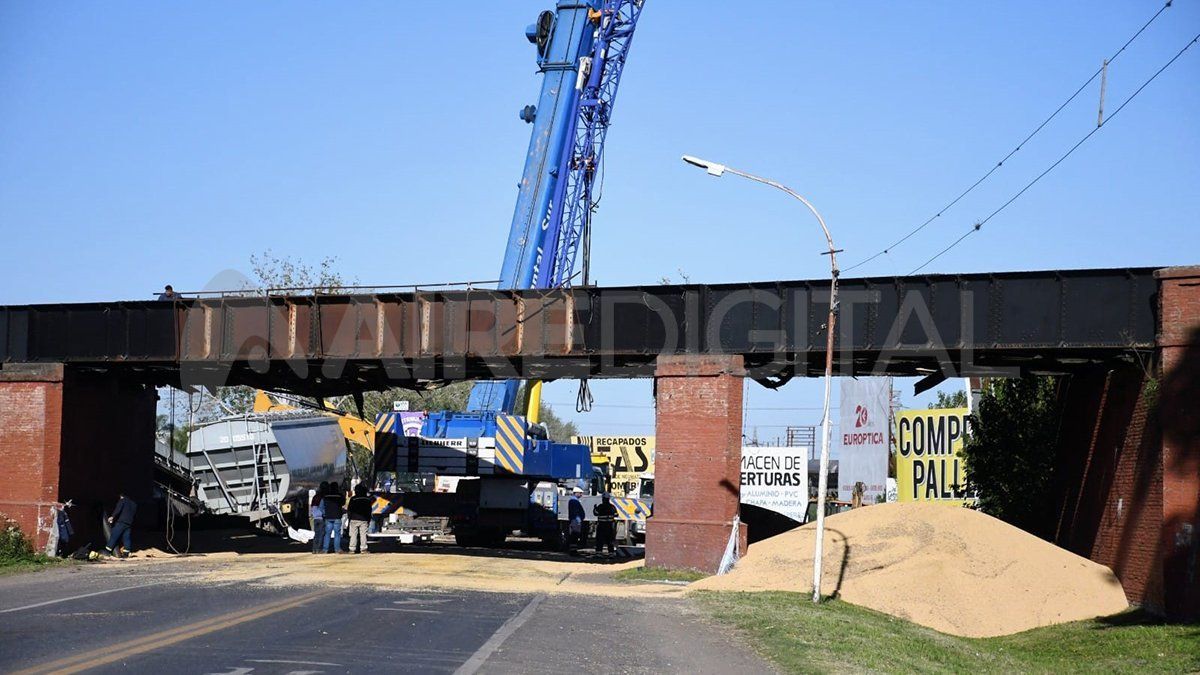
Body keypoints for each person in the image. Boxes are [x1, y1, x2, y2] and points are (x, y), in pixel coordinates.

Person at [105, 491, 137, 557]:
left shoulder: (123, 500)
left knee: (114, 535)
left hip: (121, 522)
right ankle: (126, 553)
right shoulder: (134, 503)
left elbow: (118, 509)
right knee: (126, 538)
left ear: (121, 495)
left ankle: (107, 551)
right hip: (129, 523)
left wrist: (112, 516)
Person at [347, 483, 373, 553]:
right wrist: (369, 519)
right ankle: (363, 548)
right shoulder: (367, 499)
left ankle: (352, 549)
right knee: (363, 534)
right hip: (364, 519)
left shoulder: (353, 499)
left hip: (354, 519)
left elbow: (349, 509)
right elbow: (369, 510)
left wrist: (349, 518)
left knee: (353, 534)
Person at [322, 481, 345, 553]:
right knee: (337, 534)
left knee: (327, 534)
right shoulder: (339, 496)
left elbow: (322, 506)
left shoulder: (326, 496)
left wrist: (324, 514)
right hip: (337, 516)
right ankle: (337, 549)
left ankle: (325, 549)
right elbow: (343, 503)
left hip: (328, 516)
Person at [310, 482, 328, 554]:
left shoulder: (315, 497)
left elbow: (312, 506)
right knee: (321, 534)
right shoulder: (324, 497)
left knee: (316, 534)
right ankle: (319, 549)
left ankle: (314, 549)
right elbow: (323, 507)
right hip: (321, 518)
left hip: (315, 518)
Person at [567, 486, 586, 553]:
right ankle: (573, 551)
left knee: (574, 536)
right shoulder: (574, 501)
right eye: (580, 493)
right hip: (575, 521)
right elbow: (575, 512)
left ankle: (573, 550)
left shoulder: (573, 500)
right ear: (576, 493)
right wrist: (578, 521)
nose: (581, 495)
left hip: (574, 521)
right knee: (574, 536)